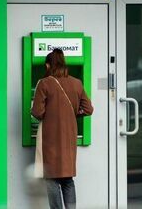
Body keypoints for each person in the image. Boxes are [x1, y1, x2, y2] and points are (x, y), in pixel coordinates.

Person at [32, 49, 94, 209]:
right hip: (69, 137)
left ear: (48, 65)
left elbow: (37, 112)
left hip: (50, 137)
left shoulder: (44, 83)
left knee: (52, 178)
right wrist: (72, 113)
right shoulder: (77, 83)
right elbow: (88, 109)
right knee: (67, 178)